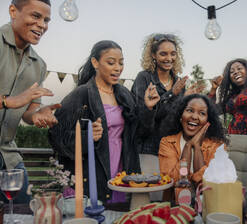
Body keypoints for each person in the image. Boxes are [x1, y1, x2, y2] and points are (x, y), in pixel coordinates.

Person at [48, 40, 160, 203]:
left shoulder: (124, 95)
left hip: (121, 167)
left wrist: (148, 109)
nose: (118, 68)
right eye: (111, 62)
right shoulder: (81, 94)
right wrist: (87, 136)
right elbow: (55, 136)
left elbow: (138, 134)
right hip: (93, 170)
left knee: (116, 215)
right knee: (96, 216)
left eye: (121, 63)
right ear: (95, 62)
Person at [0, 0, 61, 204]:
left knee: (24, 216)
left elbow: (29, 110)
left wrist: (37, 114)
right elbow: (15, 102)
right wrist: (9, 101)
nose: (42, 25)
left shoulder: (39, 65)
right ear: (13, 11)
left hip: (9, 156)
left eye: (46, 20)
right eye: (36, 16)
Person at [131, 33, 201, 178]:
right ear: (153, 55)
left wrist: (186, 100)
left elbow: (175, 116)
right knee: (150, 194)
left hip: (173, 148)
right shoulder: (144, 78)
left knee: (171, 194)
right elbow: (145, 116)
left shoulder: (178, 81)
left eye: (173, 54)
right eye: (163, 54)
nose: (169, 58)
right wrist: (171, 94)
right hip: (149, 149)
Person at [158, 94, 228, 193]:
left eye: (202, 113)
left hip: (208, 205)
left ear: (208, 121)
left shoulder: (217, 146)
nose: (194, 117)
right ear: (180, 116)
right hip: (175, 205)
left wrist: (197, 147)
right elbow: (174, 181)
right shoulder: (167, 143)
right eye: (190, 110)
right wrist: (188, 146)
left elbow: (208, 186)